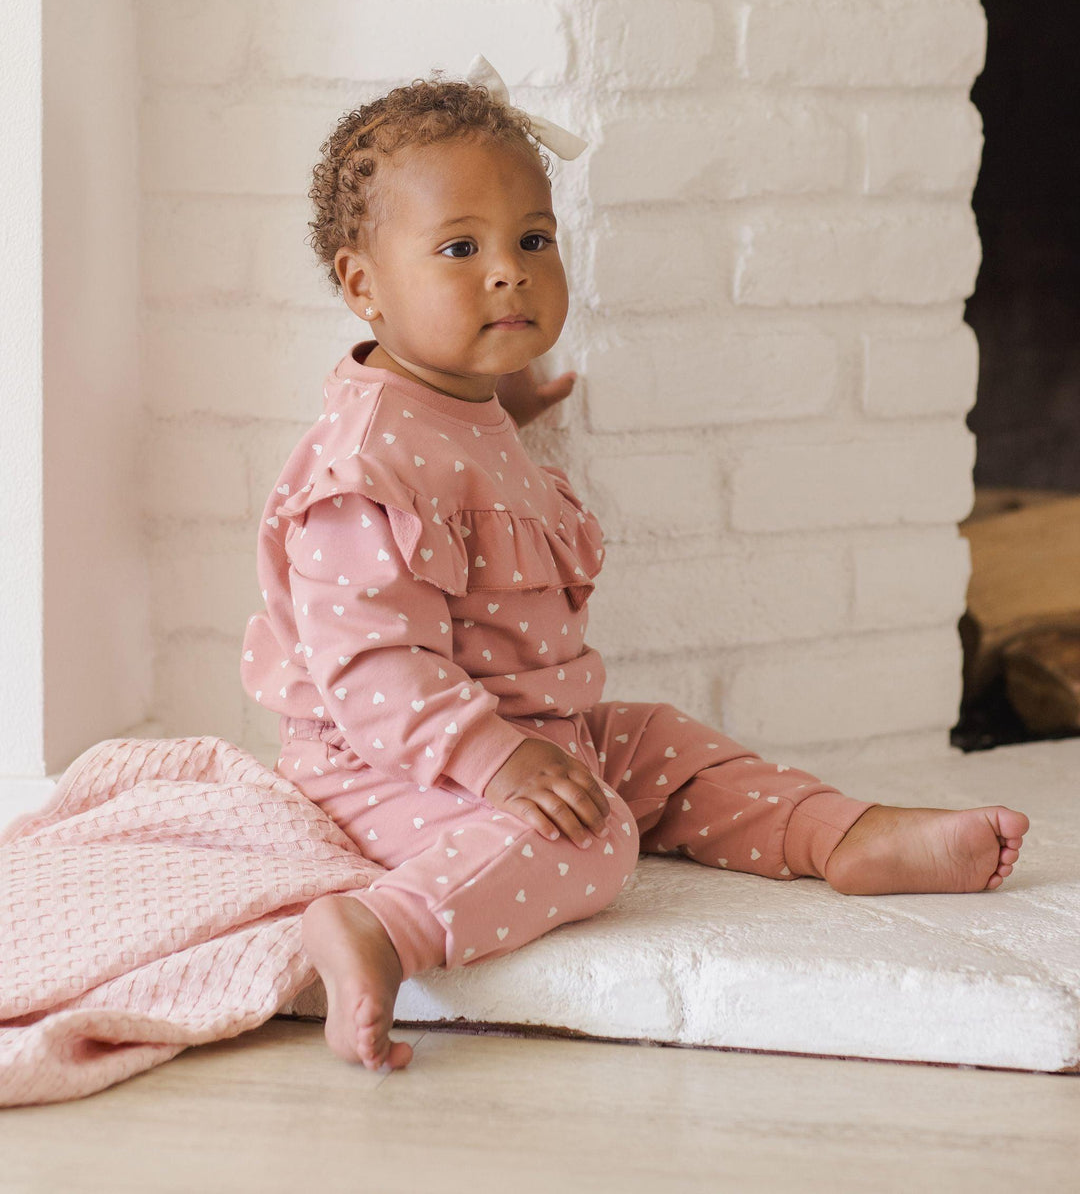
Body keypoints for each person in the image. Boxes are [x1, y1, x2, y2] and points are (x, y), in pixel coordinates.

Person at [240, 57, 1029, 1076]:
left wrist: (505, 412)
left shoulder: (452, 411)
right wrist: (497, 762)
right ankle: (385, 929)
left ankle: (841, 834)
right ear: (364, 286)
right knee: (592, 836)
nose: (508, 271)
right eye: (460, 248)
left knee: (662, 745)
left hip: (536, 729)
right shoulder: (364, 464)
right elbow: (370, 668)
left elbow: (462, 466)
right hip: (386, 766)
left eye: (533, 240)